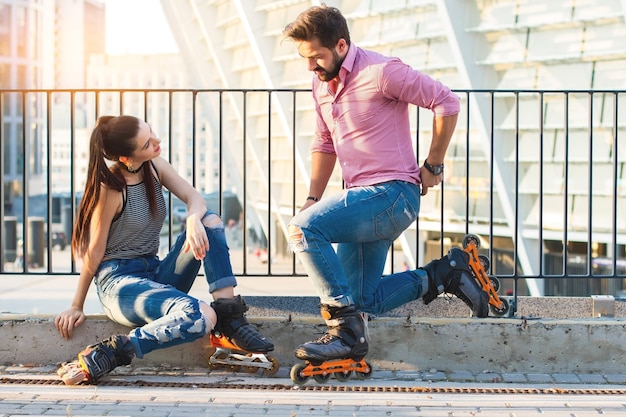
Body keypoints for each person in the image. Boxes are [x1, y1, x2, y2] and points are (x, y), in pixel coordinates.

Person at [283, 4, 489, 364]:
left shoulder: (382, 72)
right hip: (363, 201)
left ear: (342, 46)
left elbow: (446, 102)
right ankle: (446, 273)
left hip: (392, 195)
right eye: (305, 58)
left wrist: (433, 165)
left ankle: (345, 332)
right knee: (363, 301)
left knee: (302, 230)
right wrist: (312, 197)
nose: (310, 66)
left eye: (316, 57)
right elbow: (324, 143)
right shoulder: (321, 87)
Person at [54, 115, 273, 382]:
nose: (156, 142)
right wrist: (76, 305)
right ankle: (114, 351)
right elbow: (95, 252)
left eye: (152, 132)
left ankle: (230, 318)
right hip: (120, 284)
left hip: (155, 272)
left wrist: (193, 220)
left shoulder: (154, 166)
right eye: (147, 143)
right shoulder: (111, 188)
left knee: (209, 220)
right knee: (200, 315)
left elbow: (194, 197)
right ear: (126, 158)